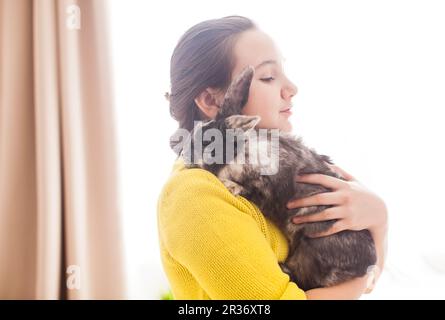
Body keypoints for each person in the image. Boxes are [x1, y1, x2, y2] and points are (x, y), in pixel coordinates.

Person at [158, 15, 388, 299]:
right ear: (210, 100)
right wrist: (363, 280)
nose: (291, 88)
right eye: (268, 76)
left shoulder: (270, 167)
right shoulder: (194, 195)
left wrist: (379, 218)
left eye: (283, 72)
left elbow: (346, 274)